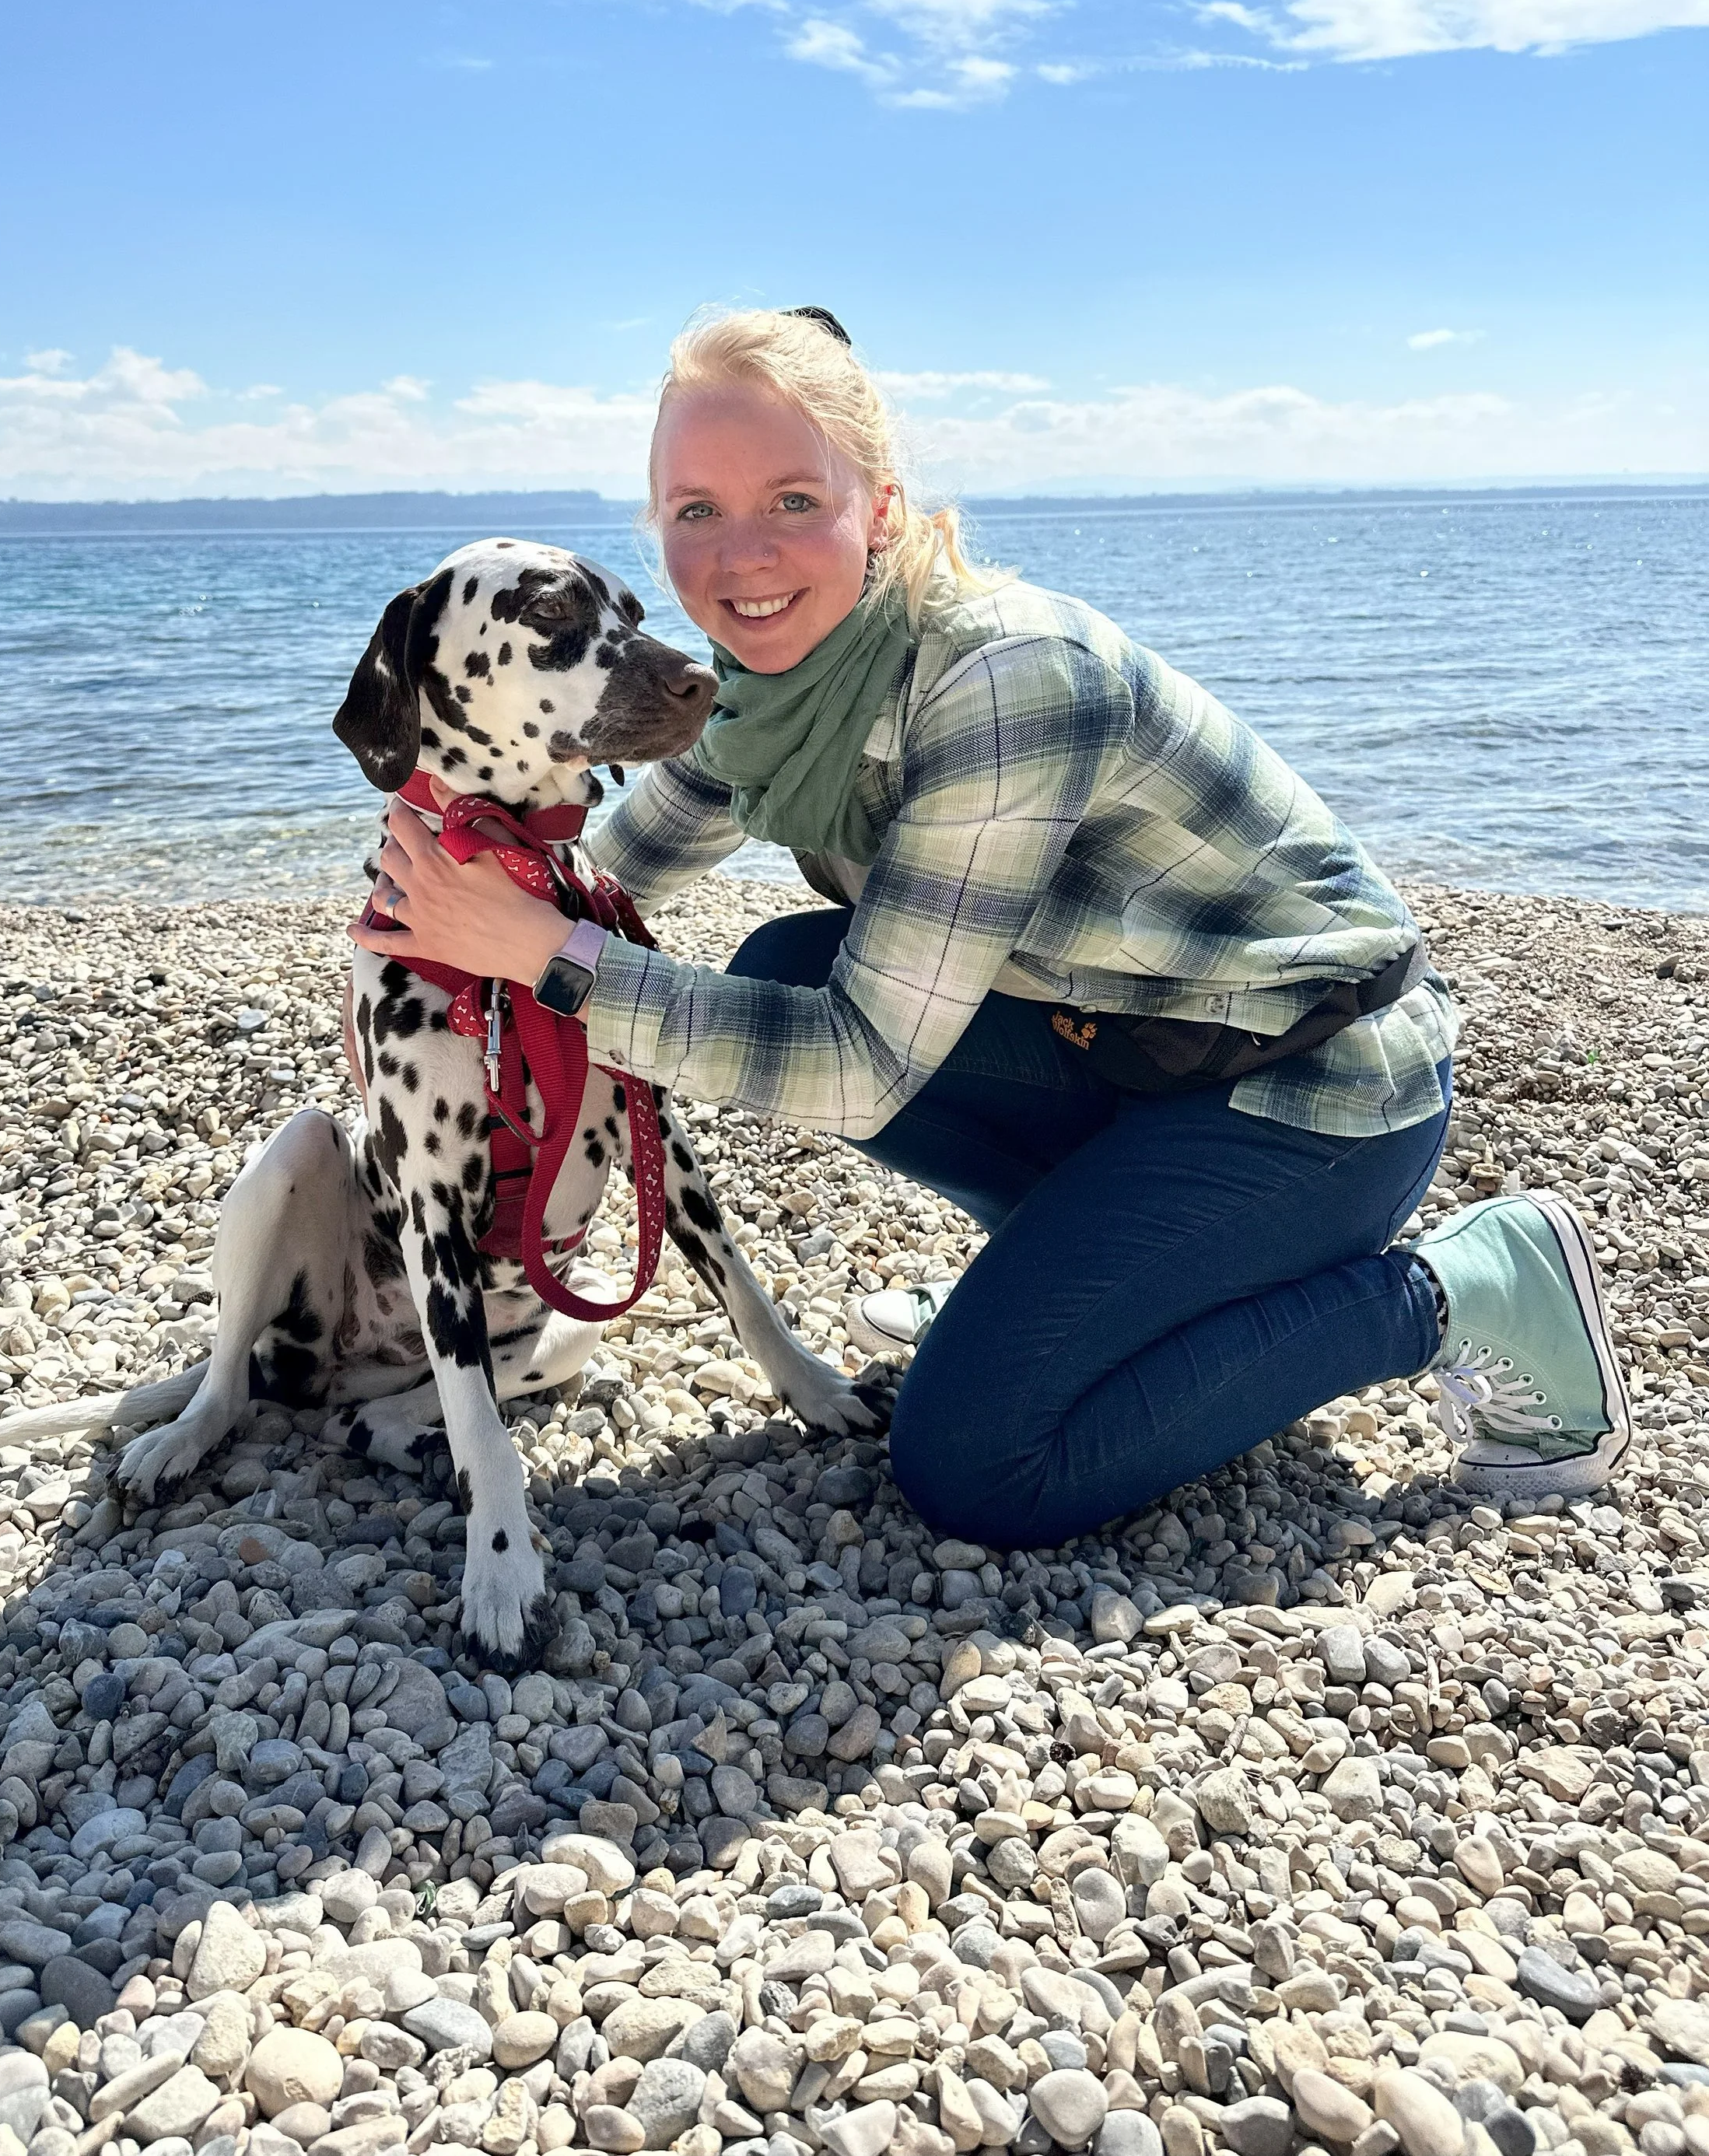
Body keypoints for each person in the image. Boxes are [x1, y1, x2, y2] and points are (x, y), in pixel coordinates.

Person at [356, 306, 1630, 1546]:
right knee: (782, 964)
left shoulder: (1003, 684)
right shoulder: (764, 694)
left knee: (977, 1464)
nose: (742, 554)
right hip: (1142, 1049)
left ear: (882, 505)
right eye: (699, 511)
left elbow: (841, 1053)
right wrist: (444, 920)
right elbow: (605, 879)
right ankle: (1066, 1274)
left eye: (795, 501)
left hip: (1315, 1087)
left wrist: (541, 956)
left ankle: (1463, 1287)